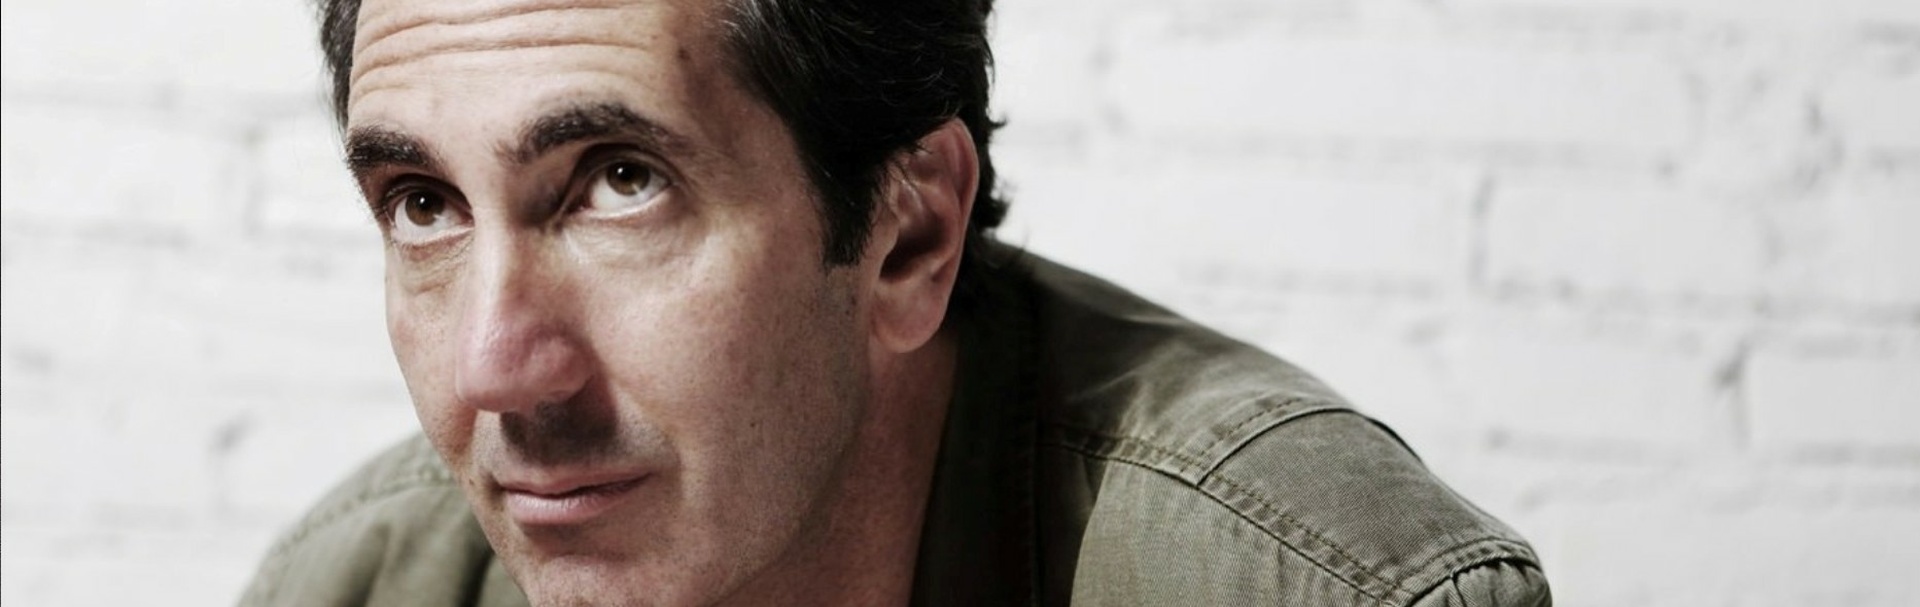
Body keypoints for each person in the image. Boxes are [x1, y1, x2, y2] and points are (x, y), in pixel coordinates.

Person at [242, 0, 1552, 604]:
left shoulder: (1311, 594)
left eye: (622, 183)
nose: (493, 369)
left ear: (907, 234)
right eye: (424, 203)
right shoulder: (355, 585)